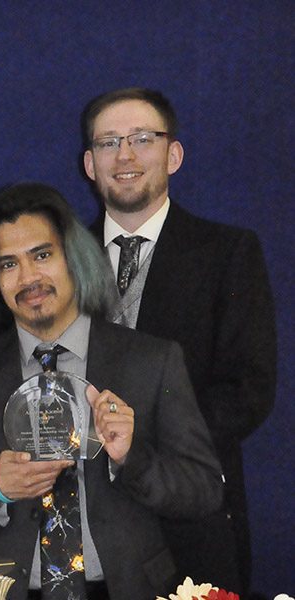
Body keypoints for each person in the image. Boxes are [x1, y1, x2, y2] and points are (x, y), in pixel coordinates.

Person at [0, 183, 223, 599]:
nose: (28, 278)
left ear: (73, 257)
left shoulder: (151, 360)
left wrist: (131, 457)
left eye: (42, 255)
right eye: (8, 264)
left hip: (123, 589)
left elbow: (203, 490)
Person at [81, 87, 277, 593]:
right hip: (81, 534)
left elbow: (248, 391)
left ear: (174, 154)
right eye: (108, 143)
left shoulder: (228, 253)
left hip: (191, 523)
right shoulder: (57, 263)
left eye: (142, 139)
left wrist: (138, 447)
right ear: (89, 163)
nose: (124, 156)